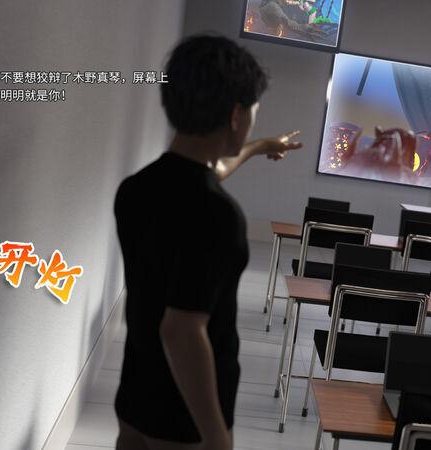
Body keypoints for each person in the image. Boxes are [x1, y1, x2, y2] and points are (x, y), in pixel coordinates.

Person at [113, 35, 302, 450]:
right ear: (236, 114)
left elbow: (201, 175)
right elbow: (181, 331)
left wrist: (259, 147)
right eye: (253, 113)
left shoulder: (136, 188)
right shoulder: (218, 215)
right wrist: (215, 434)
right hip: (184, 420)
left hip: (135, 397)